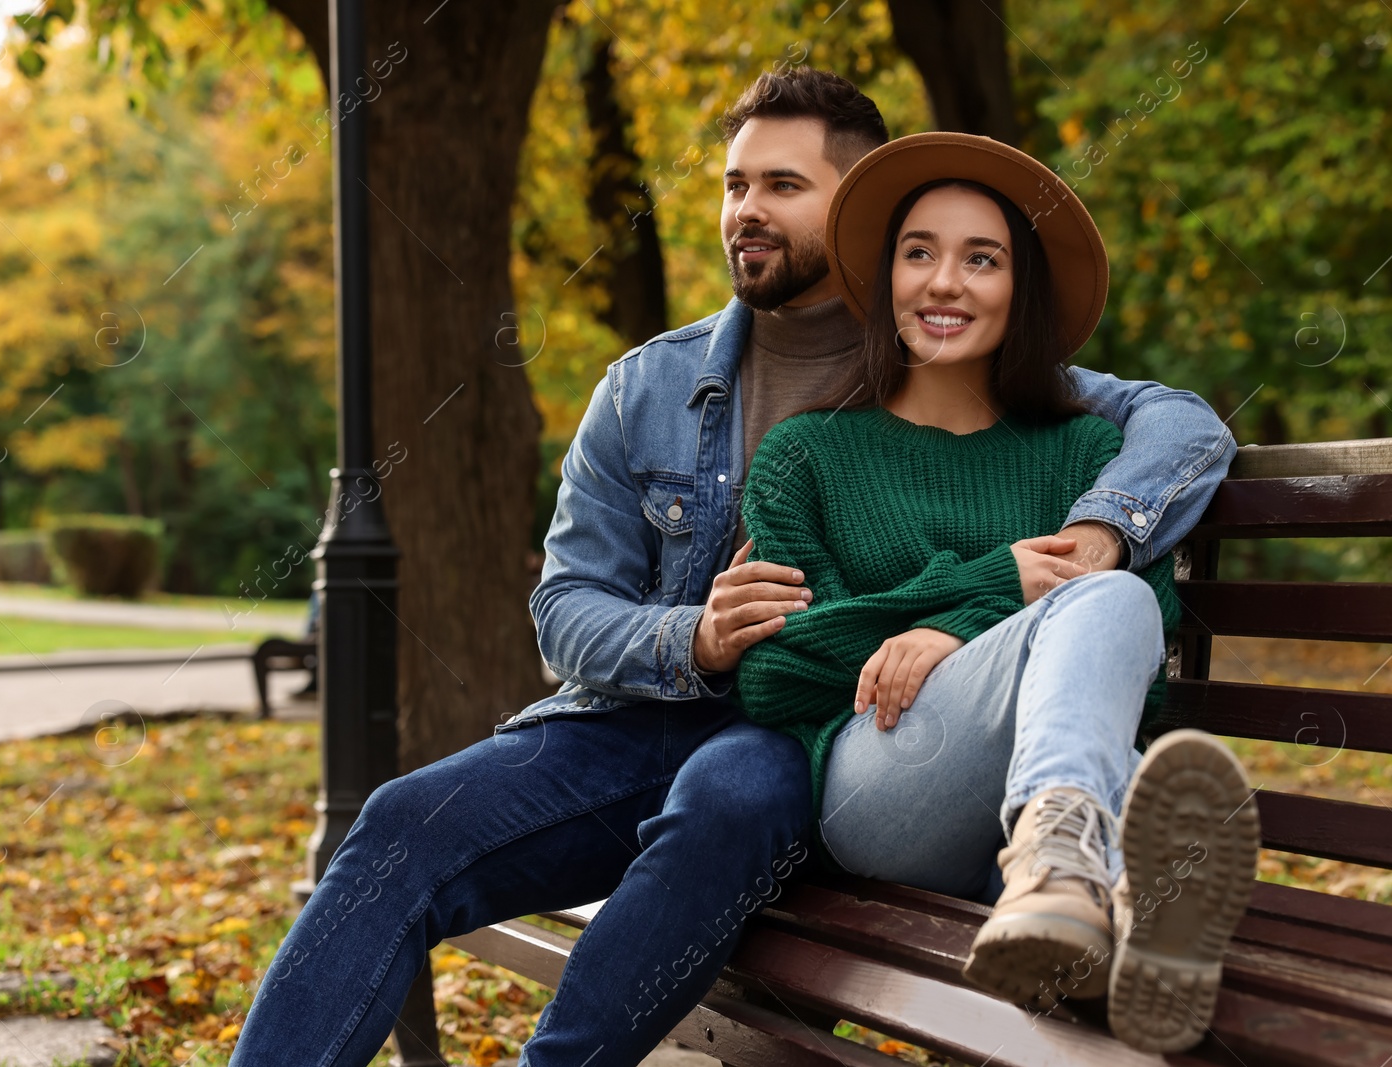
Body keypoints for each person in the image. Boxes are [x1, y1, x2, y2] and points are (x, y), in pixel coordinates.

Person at [230, 68, 1239, 1067]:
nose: (746, 212)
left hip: (808, 737)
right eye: (733, 185)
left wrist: (1103, 527)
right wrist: (693, 635)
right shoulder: (650, 385)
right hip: (644, 716)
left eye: (782, 187)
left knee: (729, 798)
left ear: (861, 209)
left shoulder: (934, 339)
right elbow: (566, 608)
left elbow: (1176, 421)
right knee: (402, 824)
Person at [733, 131, 1259, 1053]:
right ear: (886, 278)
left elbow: (1144, 645)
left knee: (1116, 597)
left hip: (1029, 800)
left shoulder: (1083, 456)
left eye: (983, 259)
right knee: (1102, 596)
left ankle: (1087, 906)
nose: (945, 283)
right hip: (885, 784)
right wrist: (990, 586)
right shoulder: (805, 456)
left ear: (1021, 290)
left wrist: (950, 630)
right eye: (919, 253)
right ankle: (1102, 865)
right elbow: (774, 671)